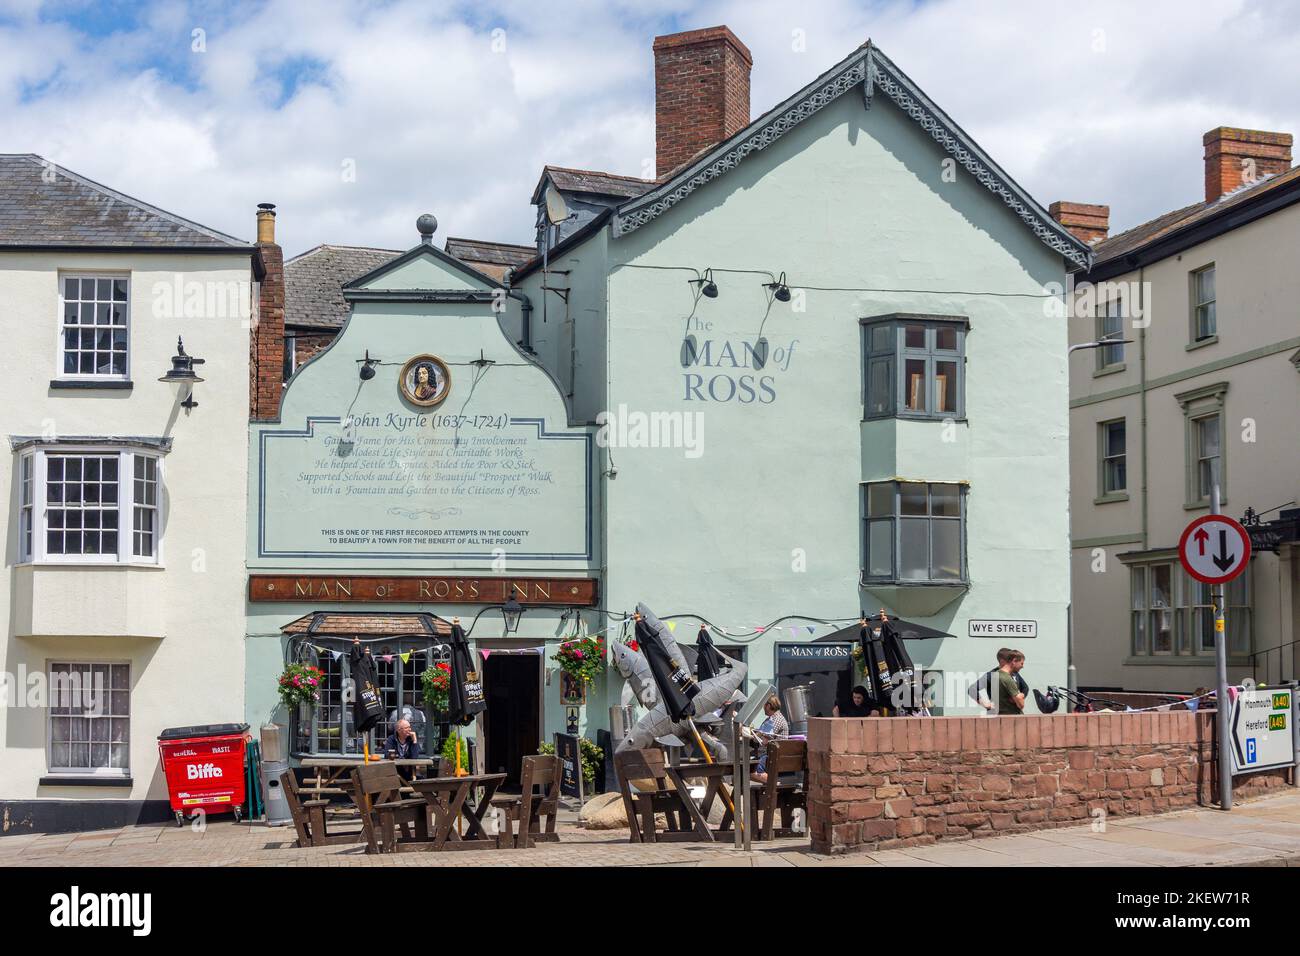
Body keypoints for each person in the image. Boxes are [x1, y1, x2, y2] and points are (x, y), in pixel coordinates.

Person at [970, 648, 1029, 714]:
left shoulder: (1014, 673)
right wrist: (986, 704)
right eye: (1009, 659)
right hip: (998, 716)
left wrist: (1020, 697)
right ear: (1002, 661)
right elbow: (972, 689)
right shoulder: (992, 675)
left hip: (1014, 713)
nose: (1011, 661)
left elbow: (1025, 688)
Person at [750, 695, 789, 783]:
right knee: (747, 767)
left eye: (764, 705)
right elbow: (762, 735)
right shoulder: (773, 718)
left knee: (750, 770)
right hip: (773, 754)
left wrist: (754, 734)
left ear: (768, 705)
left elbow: (763, 739)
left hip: (775, 756)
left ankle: (775, 785)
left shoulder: (776, 719)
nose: (763, 708)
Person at [996, 649, 1027, 715]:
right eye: (1021, 663)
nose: (1022, 666)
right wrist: (1020, 696)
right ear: (1014, 661)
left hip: (1001, 718)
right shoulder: (1007, 678)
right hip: (1013, 719)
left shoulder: (995, 675)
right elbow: (1021, 704)